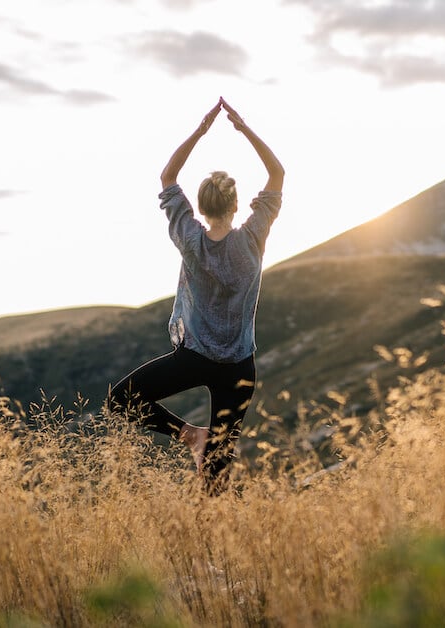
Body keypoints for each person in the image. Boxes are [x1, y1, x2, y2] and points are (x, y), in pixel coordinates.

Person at [109, 97, 284, 494]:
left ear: (200, 208)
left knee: (120, 399)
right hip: (239, 366)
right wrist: (244, 127)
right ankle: (212, 548)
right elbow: (277, 172)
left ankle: (190, 434)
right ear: (237, 206)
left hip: (194, 358)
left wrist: (201, 131)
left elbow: (168, 175)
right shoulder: (254, 238)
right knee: (215, 482)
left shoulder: (190, 239)